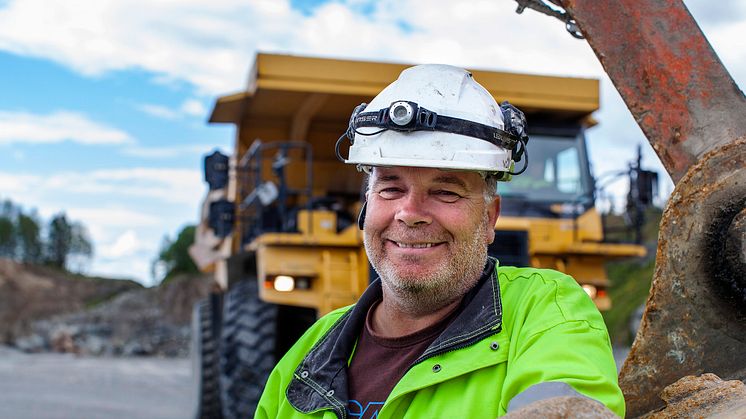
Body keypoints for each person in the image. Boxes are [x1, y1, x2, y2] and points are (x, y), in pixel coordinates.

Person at [255, 64, 624, 418]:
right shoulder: (309, 352)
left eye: (446, 192)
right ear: (367, 205)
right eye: (390, 188)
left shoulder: (546, 314)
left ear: (490, 217)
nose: (409, 212)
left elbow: (567, 406)